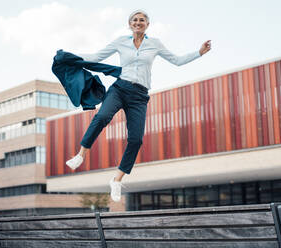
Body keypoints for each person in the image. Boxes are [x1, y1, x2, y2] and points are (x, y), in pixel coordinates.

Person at [66, 9, 211, 202]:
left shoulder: (155, 44)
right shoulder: (120, 41)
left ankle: (117, 179)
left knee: (136, 139)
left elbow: (176, 61)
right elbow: (96, 56)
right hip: (119, 88)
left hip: (139, 96)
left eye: (142, 20)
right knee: (102, 117)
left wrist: (199, 53)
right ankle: (81, 154)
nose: (138, 22)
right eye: (134, 20)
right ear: (129, 24)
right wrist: (70, 56)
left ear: (147, 24)